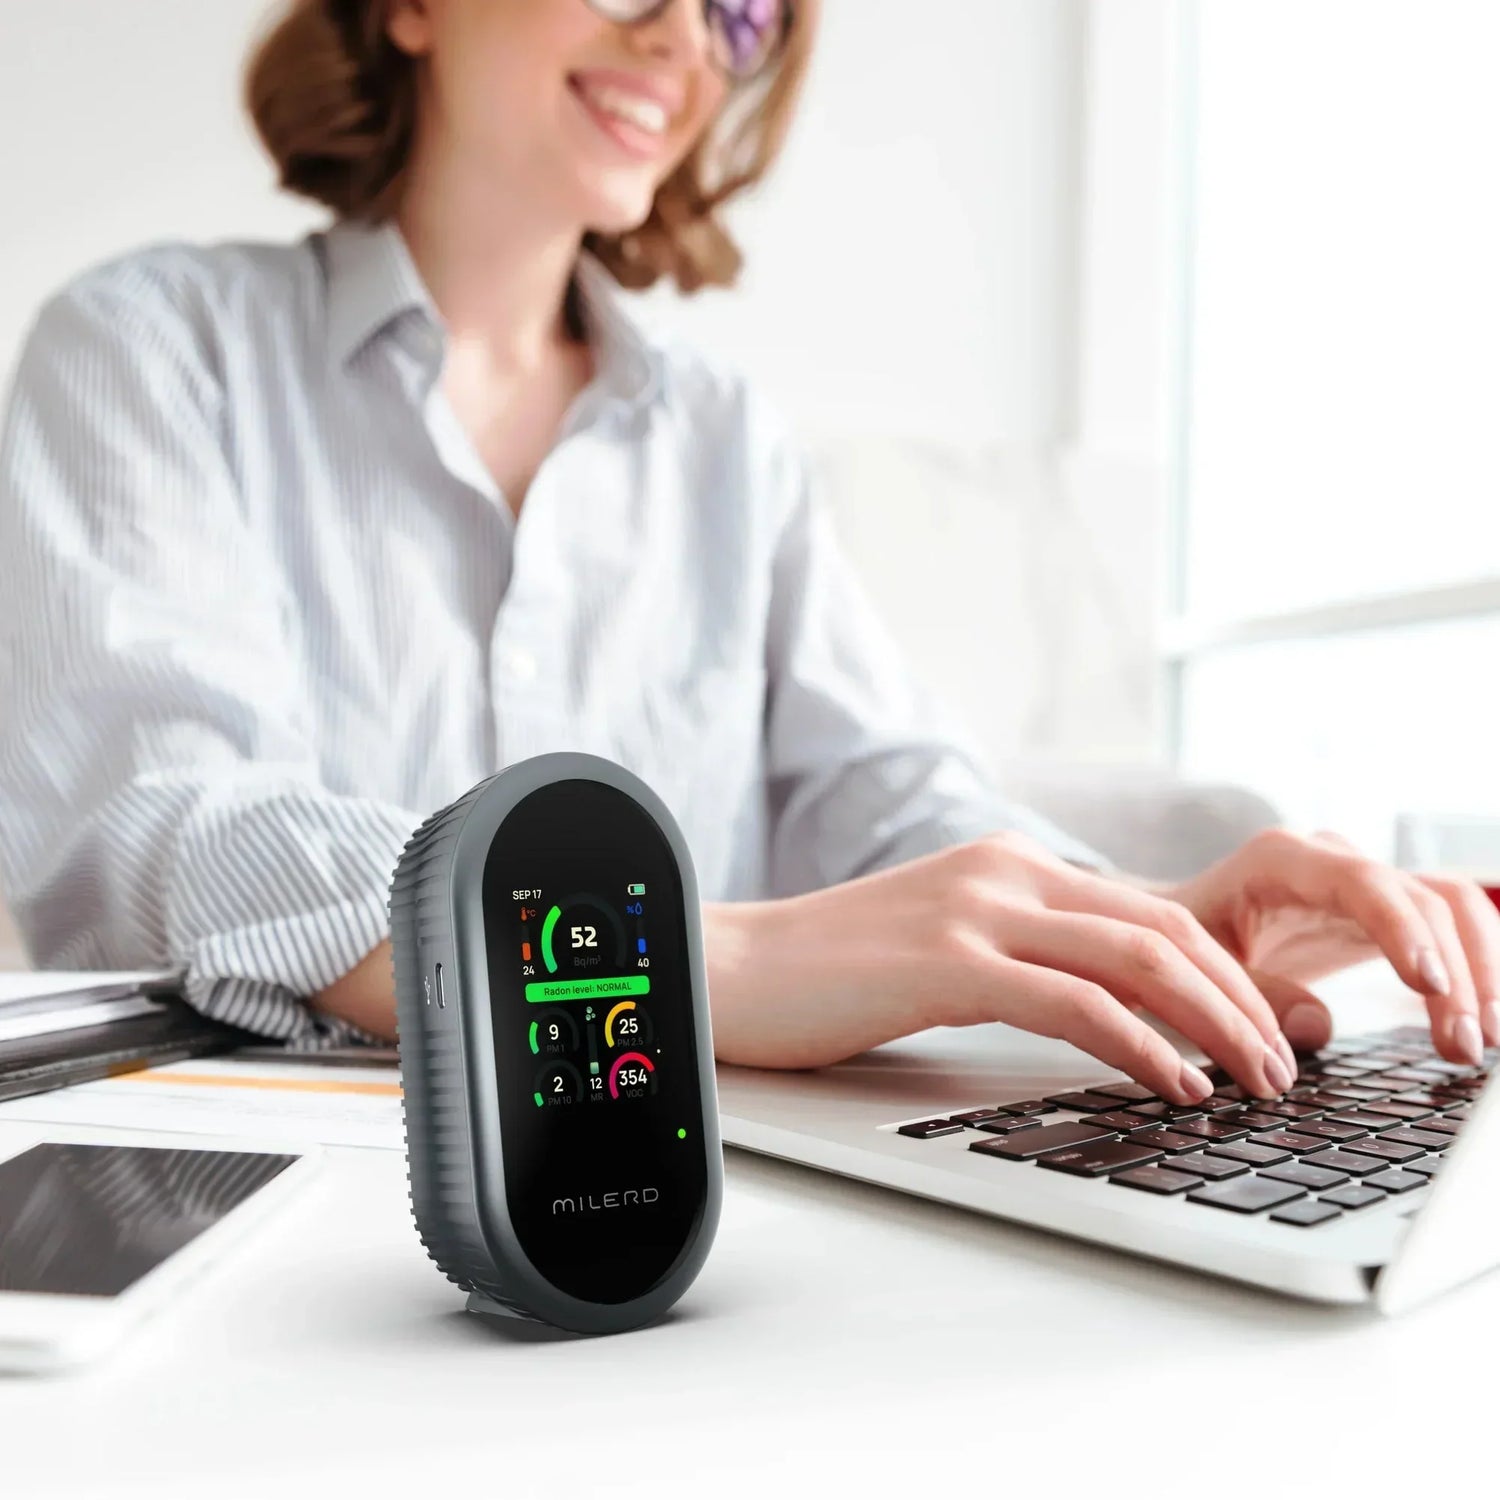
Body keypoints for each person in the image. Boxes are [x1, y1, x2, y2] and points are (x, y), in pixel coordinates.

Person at [0, 0, 1495, 1107]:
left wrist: (1141, 930)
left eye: (740, 13)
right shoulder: (143, 350)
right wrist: (700, 960)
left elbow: (891, 796)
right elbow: (164, 837)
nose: (682, 41)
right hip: (272, 1184)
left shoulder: (725, 444)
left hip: (709, 1199)